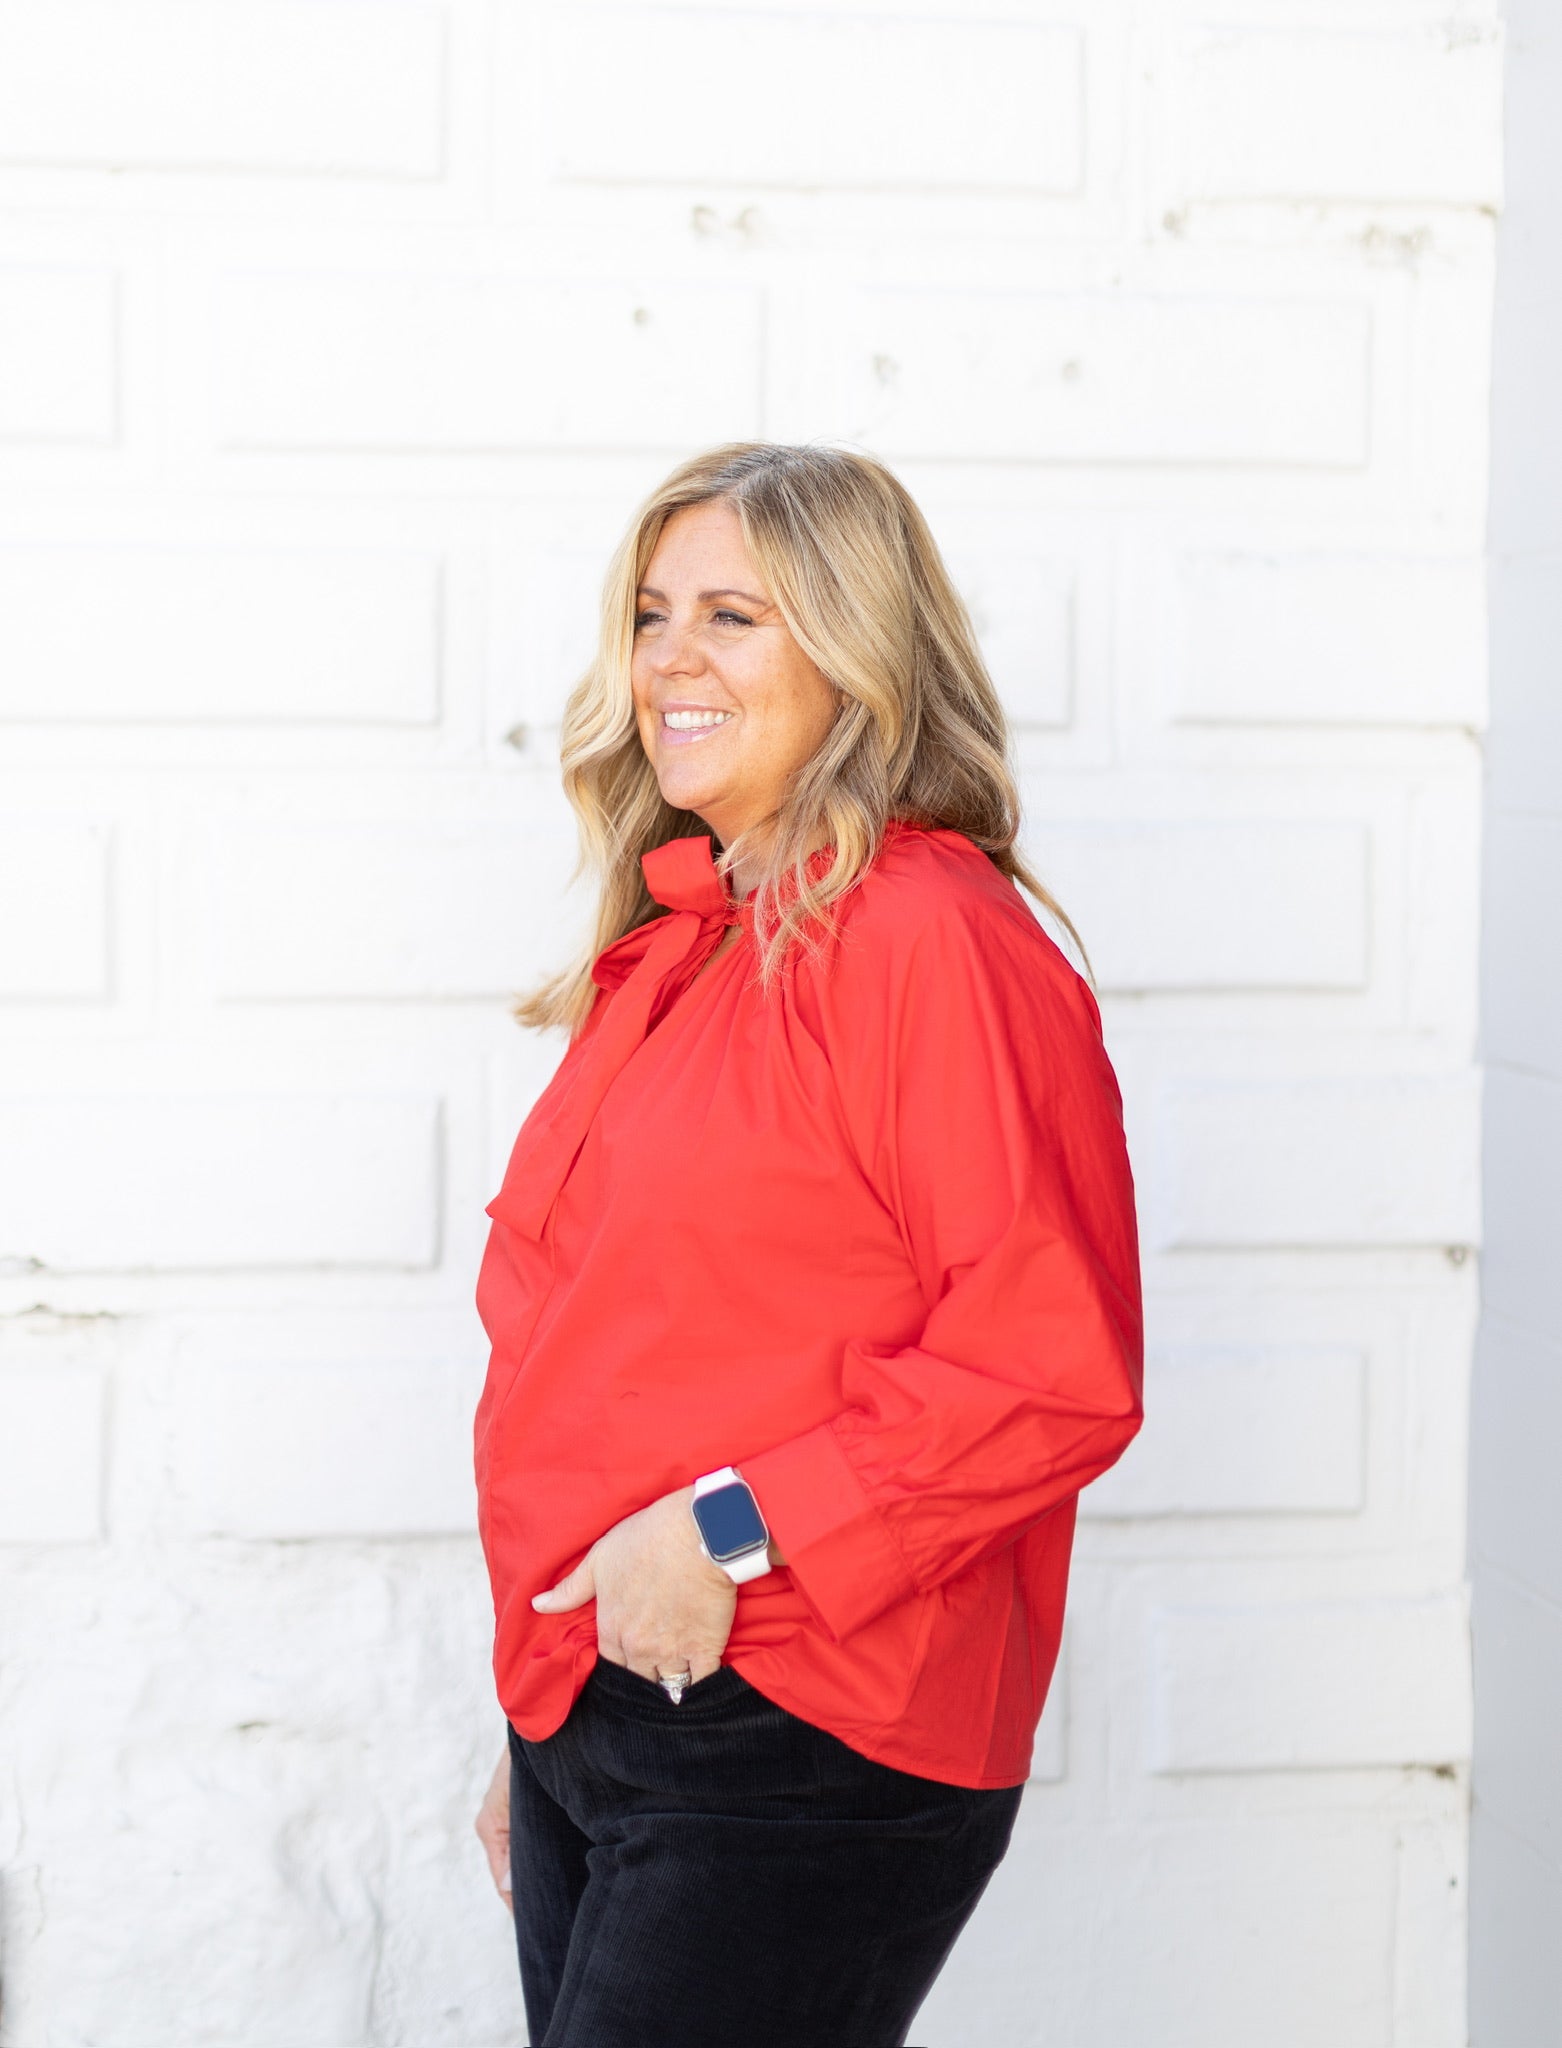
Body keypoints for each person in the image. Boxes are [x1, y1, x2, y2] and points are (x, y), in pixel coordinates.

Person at [470, 441, 1144, 2047]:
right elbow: (601, 1355)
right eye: (649, 614)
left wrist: (721, 1533)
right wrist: (535, 1714)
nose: (667, 662)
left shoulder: (931, 941)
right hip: (602, 1697)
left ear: (855, 654)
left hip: (801, 1726)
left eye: (732, 618)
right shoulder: (679, 945)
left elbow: (1049, 1372)